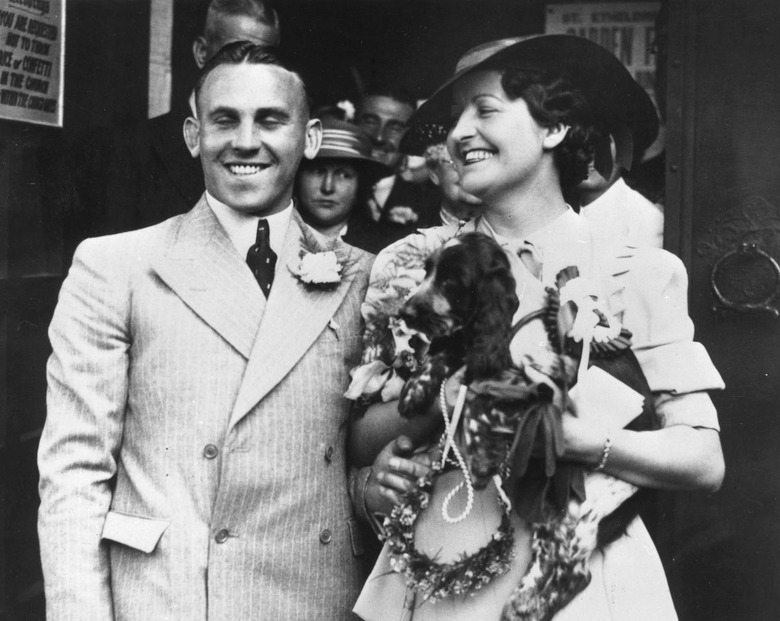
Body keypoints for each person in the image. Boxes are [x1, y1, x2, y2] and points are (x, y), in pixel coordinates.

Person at [347, 35, 725, 620]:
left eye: (485, 110)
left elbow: (703, 460)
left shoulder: (636, 273)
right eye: (454, 118)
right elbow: (360, 440)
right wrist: (451, 391)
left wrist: (580, 442)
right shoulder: (413, 269)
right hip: (444, 568)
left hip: (583, 583)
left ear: (553, 128)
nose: (460, 133)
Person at [38, 42, 373, 620]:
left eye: (270, 120)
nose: (245, 141)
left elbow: (365, 457)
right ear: (193, 136)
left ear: (310, 138)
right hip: (171, 598)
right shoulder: (117, 266)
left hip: (315, 597)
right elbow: (75, 473)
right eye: (224, 120)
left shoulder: (363, 277)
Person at [63, 0, 281, 258]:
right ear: (202, 52)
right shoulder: (131, 150)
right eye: (236, 52)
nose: (250, 68)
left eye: (263, 58)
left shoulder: (276, 151)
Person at [355, 88, 440, 242]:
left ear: (410, 136)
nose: (379, 137)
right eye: (370, 122)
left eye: (395, 127)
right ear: (353, 123)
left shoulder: (430, 206)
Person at [296, 118, 392, 253]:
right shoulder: (274, 235)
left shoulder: (384, 250)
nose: (328, 188)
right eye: (317, 171)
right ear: (297, 175)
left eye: (343, 175)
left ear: (360, 183)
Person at [576, 137, 665, 248]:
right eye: (580, 141)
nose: (589, 155)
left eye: (603, 144)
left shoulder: (645, 219)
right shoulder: (564, 205)